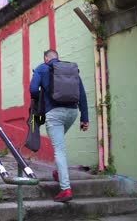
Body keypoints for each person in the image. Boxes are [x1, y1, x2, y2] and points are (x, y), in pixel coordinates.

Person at [29, 49, 89, 202]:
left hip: (54, 115)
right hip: (72, 113)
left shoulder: (42, 68)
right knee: (59, 144)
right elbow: (81, 93)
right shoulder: (70, 70)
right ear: (57, 58)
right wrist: (85, 118)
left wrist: (39, 98)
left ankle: (65, 189)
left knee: (59, 150)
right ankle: (58, 172)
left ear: (46, 58)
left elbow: (33, 89)